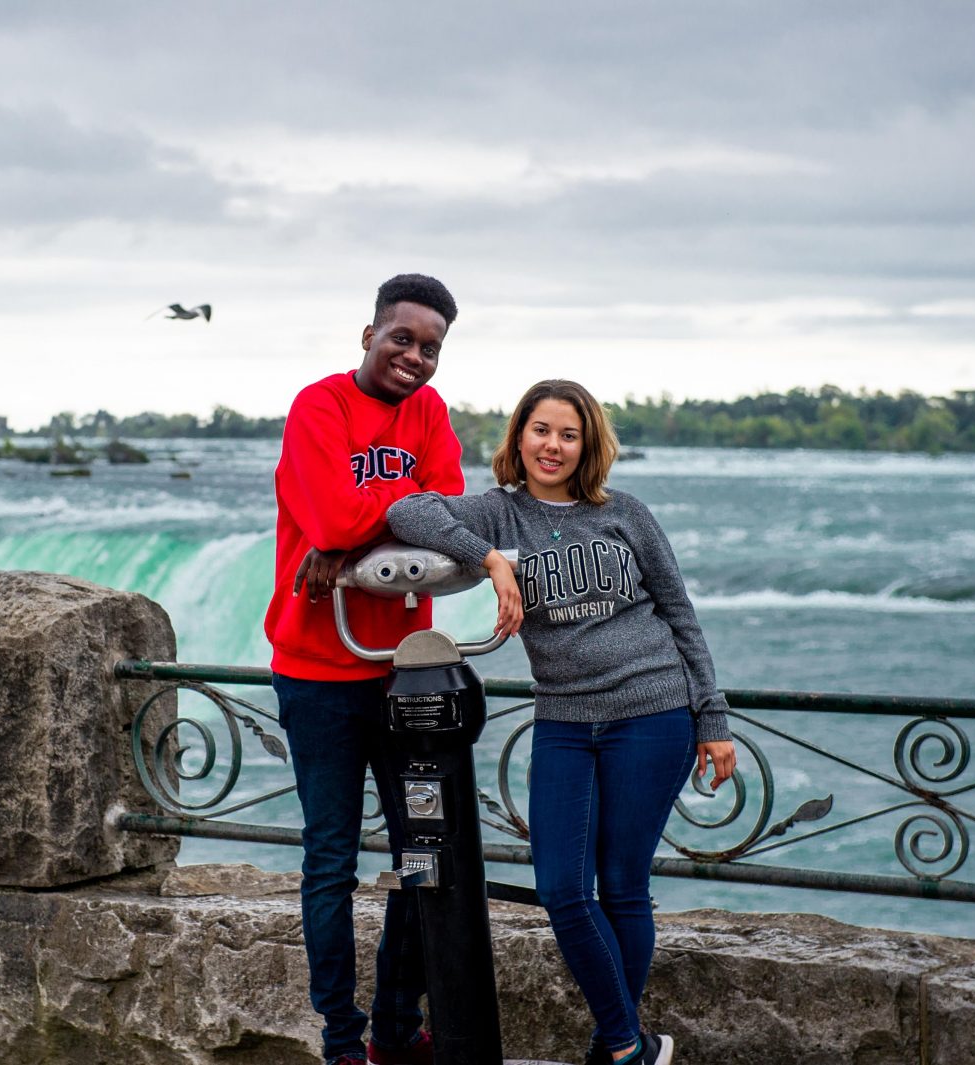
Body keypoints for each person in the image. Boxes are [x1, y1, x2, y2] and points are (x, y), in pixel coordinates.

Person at [386, 379, 737, 1065]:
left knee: (624, 886)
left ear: (587, 445)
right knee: (563, 891)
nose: (553, 445)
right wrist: (488, 558)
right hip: (566, 718)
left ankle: (616, 1047)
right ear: (519, 437)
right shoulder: (498, 514)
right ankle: (631, 1044)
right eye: (541, 430)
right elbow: (407, 509)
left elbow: (679, 613)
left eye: (568, 434)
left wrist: (712, 718)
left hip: (653, 709)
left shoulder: (625, 513)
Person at [264, 274, 465, 1065]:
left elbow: (451, 519)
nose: (415, 357)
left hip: (402, 673)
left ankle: (394, 1024)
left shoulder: (431, 414)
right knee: (331, 860)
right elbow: (333, 514)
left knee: (423, 853)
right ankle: (342, 1041)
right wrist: (374, 522)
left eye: (431, 347)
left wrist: (349, 545)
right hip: (317, 673)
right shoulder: (319, 407)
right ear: (368, 335)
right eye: (402, 338)